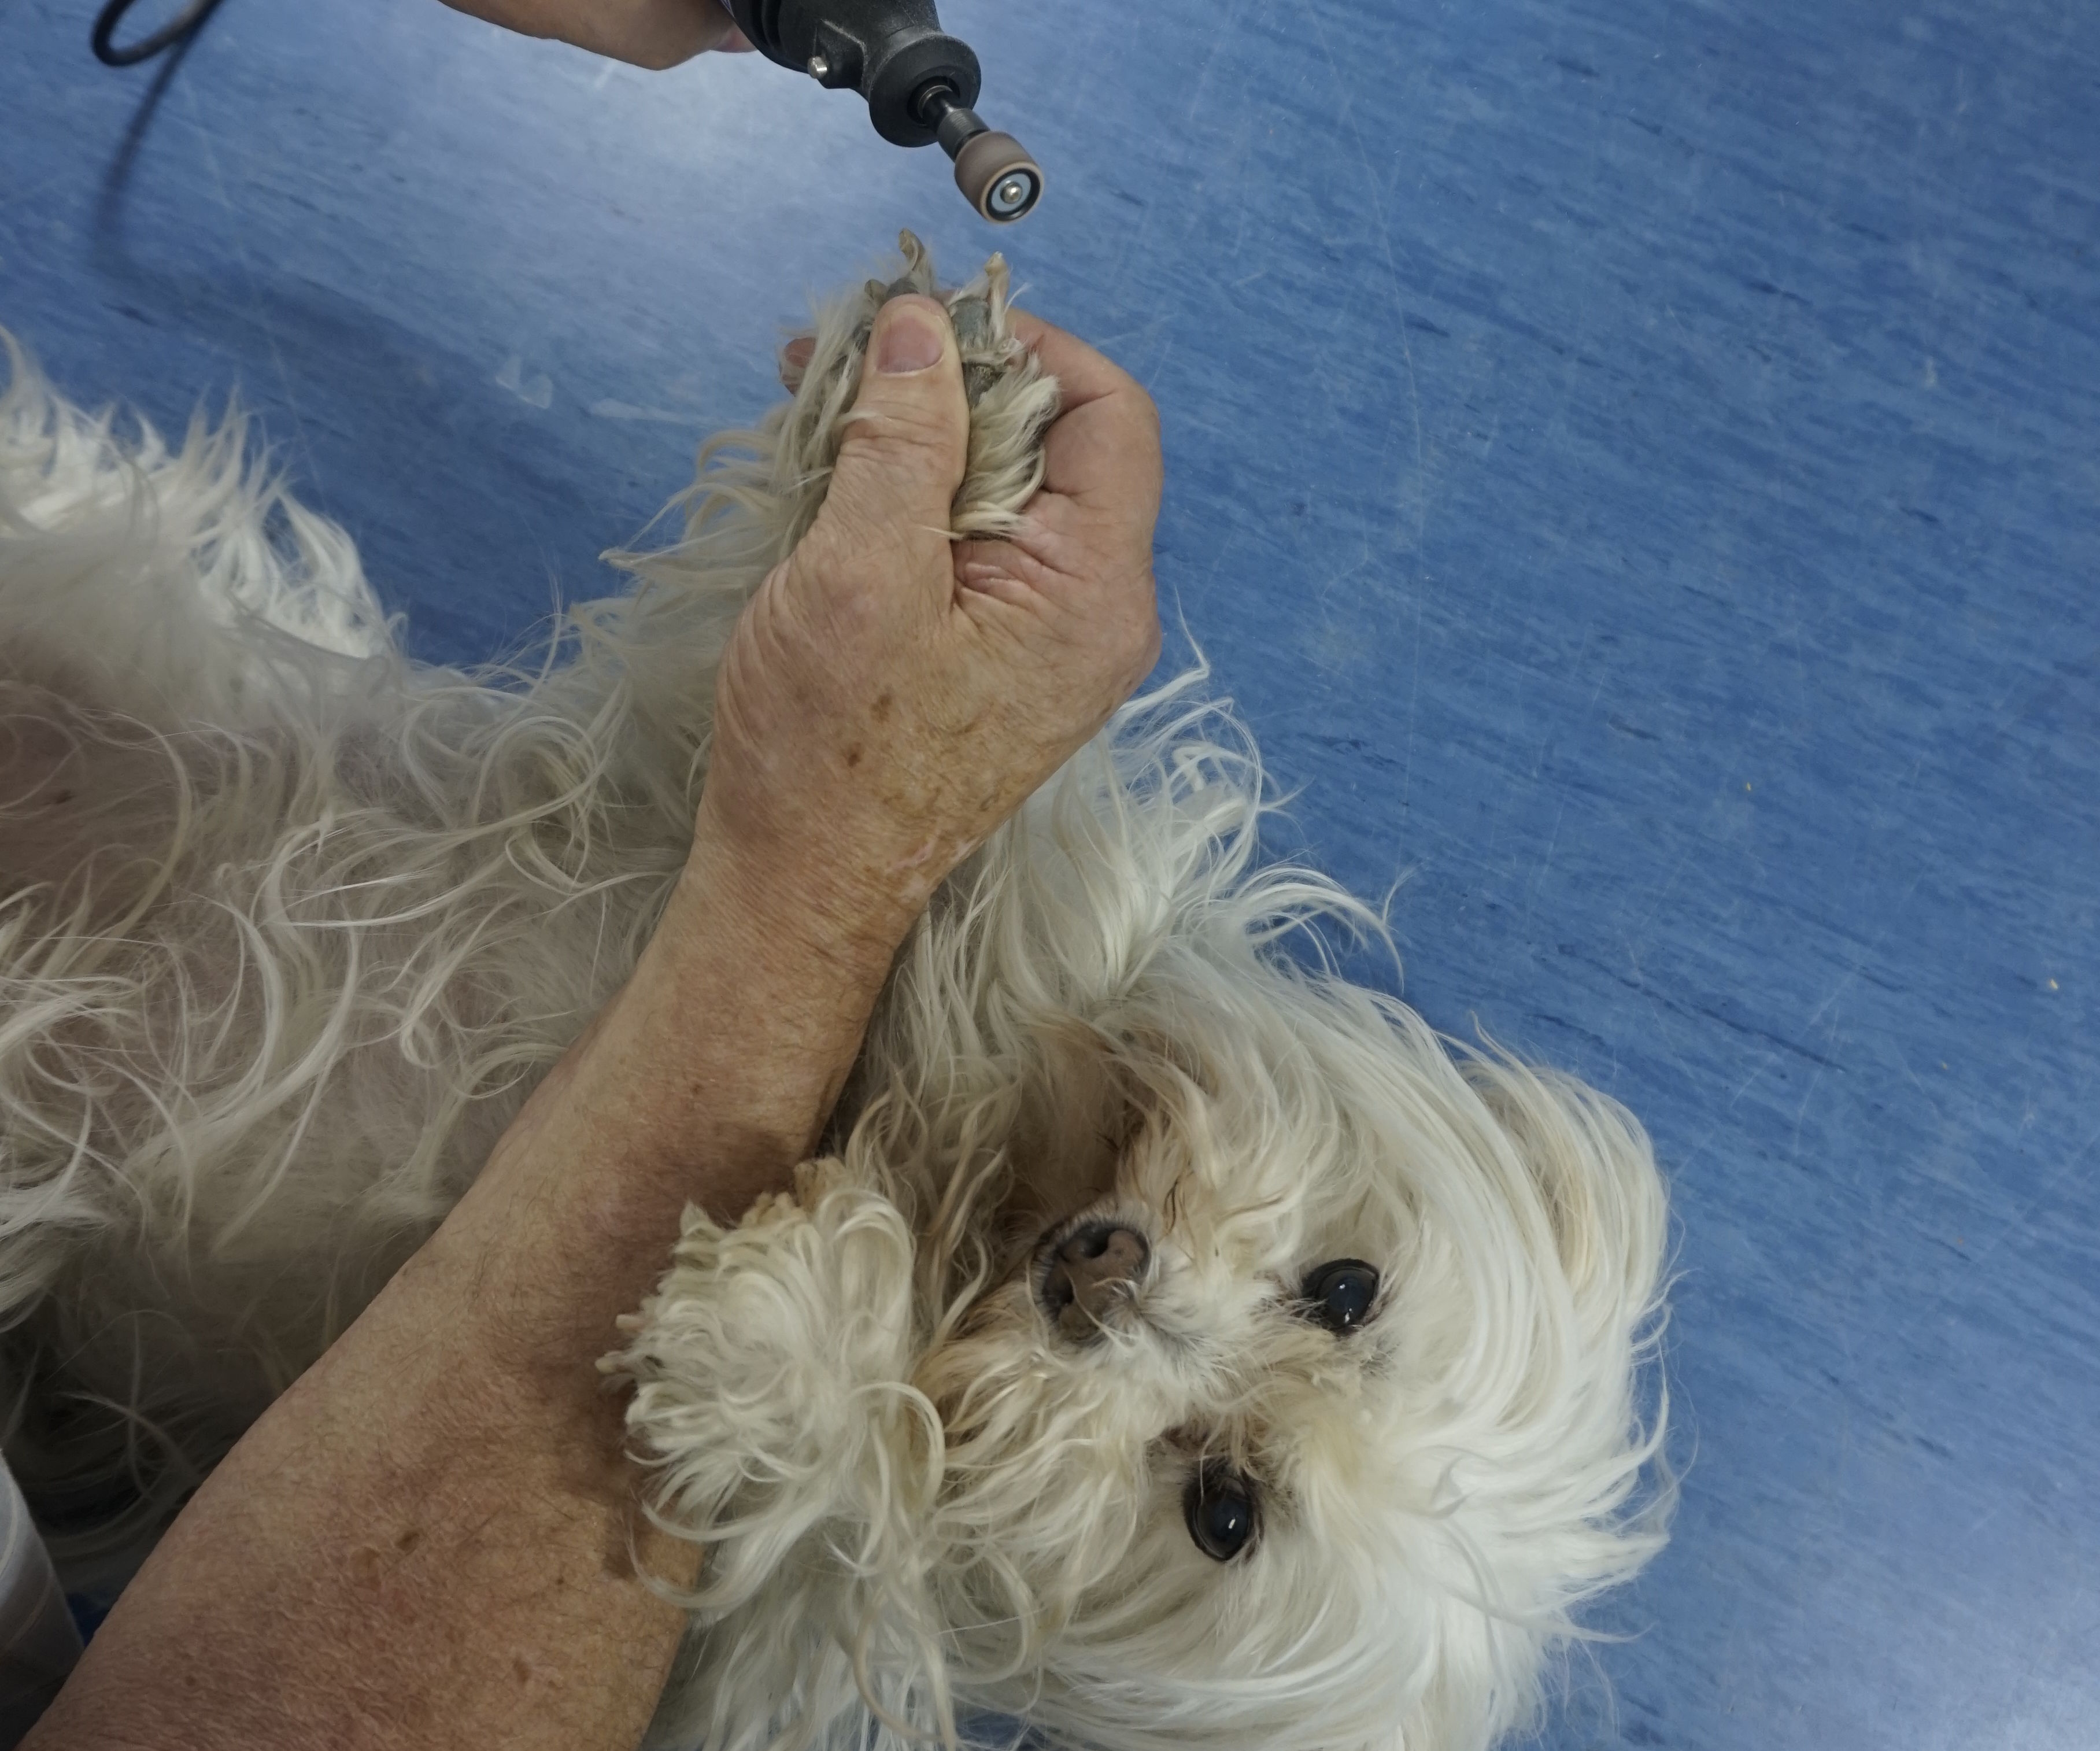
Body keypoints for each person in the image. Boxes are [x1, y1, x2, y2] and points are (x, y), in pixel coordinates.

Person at [19, 108, 1164, 1751]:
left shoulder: (788, 1588)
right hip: (129, 721)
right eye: (1333, 1291)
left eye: (1217, 1504)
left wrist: (819, 883)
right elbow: (692, 767)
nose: (1151, 1304)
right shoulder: (1043, 959)